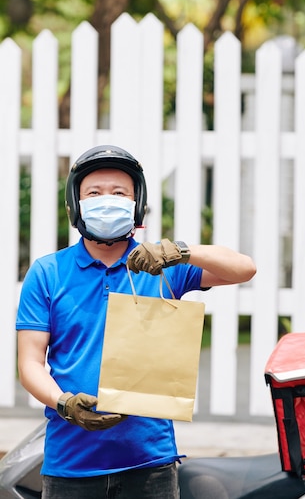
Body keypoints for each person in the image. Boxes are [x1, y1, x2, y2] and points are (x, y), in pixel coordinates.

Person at [16, 144, 257, 499]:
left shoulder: (163, 267)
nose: (107, 200)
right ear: (76, 204)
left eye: (119, 193)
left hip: (149, 464)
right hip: (70, 463)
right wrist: (64, 403)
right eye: (94, 193)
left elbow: (244, 268)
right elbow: (30, 363)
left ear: (137, 203)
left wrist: (181, 252)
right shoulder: (49, 273)